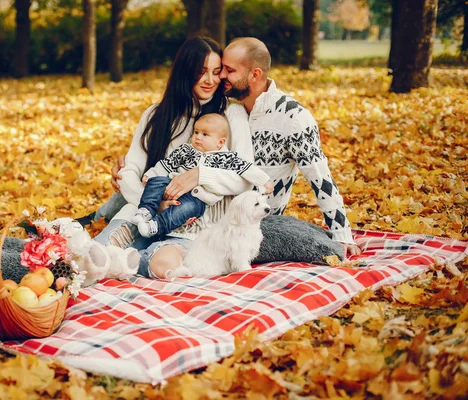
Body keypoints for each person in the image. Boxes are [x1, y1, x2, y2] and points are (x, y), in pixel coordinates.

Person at [107, 37, 361, 279]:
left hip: (245, 216)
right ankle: (101, 227)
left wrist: (342, 233)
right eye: (219, 70)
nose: (220, 78)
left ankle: (133, 253)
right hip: (177, 205)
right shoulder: (220, 109)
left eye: (226, 70)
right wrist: (138, 178)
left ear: (255, 74)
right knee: (120, 212)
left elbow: (319, 177)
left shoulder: (288, 117)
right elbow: (156, 163)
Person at [93, 36, 256, 279]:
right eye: (201, 72)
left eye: (215, 72)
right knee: (94, 256)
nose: (210, 80)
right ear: (185, 71)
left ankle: (131, 261)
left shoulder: (231, 114)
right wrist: (150, 203)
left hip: (194, 223)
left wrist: (201, 175)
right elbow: (130, 169)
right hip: (145, 212)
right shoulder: (155, 115)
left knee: (161, 265)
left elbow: (245, 178)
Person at [132, 113, 273, 238]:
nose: (198, 137)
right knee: (156, 182)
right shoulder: (186, 150)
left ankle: (156, 226)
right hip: (171, 184)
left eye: (205, 134)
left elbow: (247, 169)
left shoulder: (226, 158)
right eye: (196, 132)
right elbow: (166, 164)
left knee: (186, 209)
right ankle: (146, 210)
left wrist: (264, 182)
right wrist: (151, 174)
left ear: (220, 142)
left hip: (196, 198)